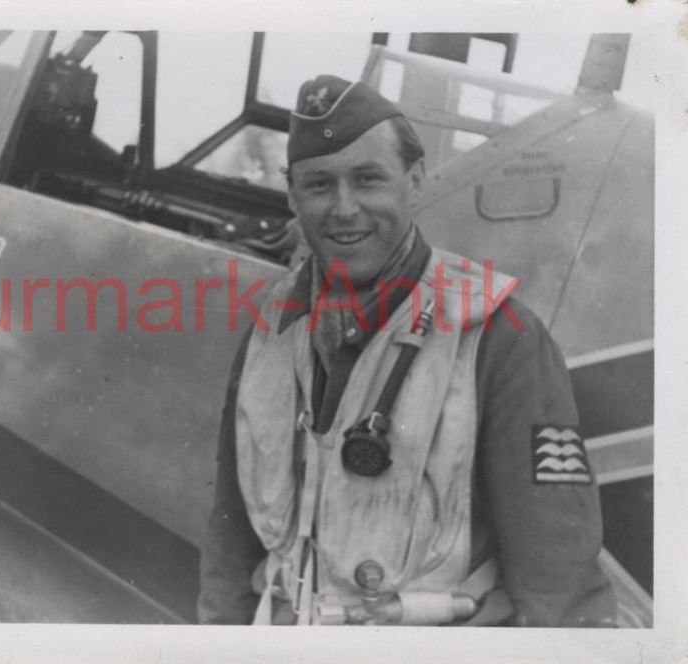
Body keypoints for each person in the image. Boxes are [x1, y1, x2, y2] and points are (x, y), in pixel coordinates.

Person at [197, 75, 616, 627]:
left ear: (414, 181)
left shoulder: (500, 337)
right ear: (293, 196)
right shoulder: (270, 328)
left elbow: (558, 583)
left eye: (368, 179)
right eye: (318, 185)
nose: (344, 208)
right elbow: (231, 543)